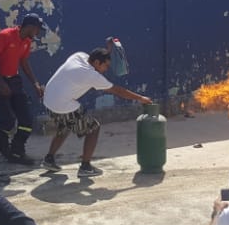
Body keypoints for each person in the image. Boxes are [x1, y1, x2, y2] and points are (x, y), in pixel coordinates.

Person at [41, 46, 152, 177]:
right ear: (97, 62)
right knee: (93, 128)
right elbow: (118, 91)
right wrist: (140, 98)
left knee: (65, 125)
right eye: (106, 66)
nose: (106, 69)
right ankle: (85, 167)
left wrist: (108, 50)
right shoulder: (91, 75)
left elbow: (97, 57)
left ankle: (49, 159)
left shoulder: (79, 56)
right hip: (62, 104)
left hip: (48, 100)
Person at [0, 14, 45, 165]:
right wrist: (0, 82)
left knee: (26, 120)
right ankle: (6, 151)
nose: (38, 32)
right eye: (37, 29)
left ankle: (17, 150)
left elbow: (23, 61)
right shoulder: (5, 35)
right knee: (8, 120)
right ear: (30, 27)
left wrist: (35, 83)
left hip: (14, 81)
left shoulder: (27, 41)